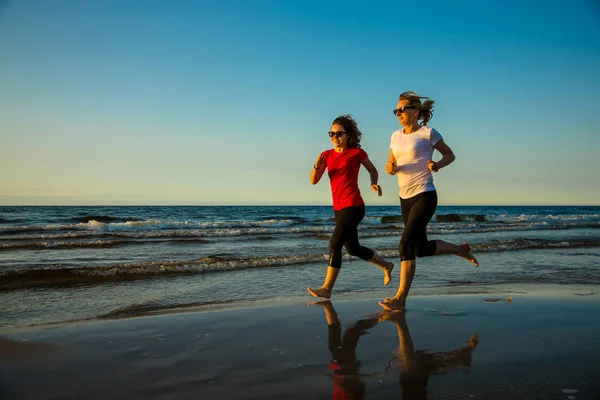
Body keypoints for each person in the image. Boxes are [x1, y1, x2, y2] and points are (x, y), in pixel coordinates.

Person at [379, 92, 479, 311]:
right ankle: (460, 250)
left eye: (402, 109)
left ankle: (400, 299)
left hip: (425, 193)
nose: (398, 113)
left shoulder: (428, 133)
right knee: (420, 249)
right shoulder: (395, 136)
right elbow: (391, 162)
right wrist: (390, 168)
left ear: (415, 111)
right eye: (396, 111)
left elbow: (450, 154)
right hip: (404, 196)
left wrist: (438, 165)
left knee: (405, 244)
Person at [308, 115, 394, 299]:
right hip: (339, 209)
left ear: (349, 135)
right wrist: (317, 165)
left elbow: (373, 169)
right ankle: (386, 265)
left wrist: (374, 183)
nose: (335, 137)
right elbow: (314, 181)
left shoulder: (356, 153)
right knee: (353, 249)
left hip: (354, 205)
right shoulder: (326, 155)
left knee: (334, 245)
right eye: (332, 133)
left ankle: (327, 288)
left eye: (339, 133)